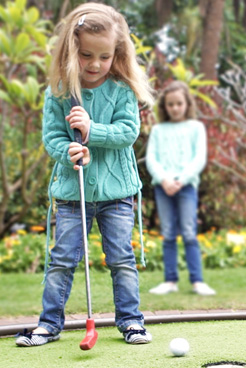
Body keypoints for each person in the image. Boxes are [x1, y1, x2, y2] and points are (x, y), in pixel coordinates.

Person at [16, 3, 154, 347]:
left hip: (116, 193)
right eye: (86, 55)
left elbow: (127, 131)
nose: (95, 64)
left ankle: (131, 321)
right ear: (70, 50)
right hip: (71, 194)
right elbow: (52, 138)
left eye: (104, 57)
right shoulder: (59, 92)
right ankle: (49, 324)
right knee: (61, 260)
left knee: (121, 258)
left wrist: (92, 131)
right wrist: (69, 151)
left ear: (116, 54)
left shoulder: (122, 90)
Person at [145, 81, 216, 296]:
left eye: (179, 103)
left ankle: (197, 281)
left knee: (188, 233)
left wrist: (181, 180)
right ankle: (170, 280)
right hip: (163, 188)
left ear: (187, 104)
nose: (175, 108)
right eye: (170, 104)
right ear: (165, 107)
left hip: (186, 187)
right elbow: (152, 159)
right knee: (167, 233)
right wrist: (164, 180)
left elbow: (199, 159)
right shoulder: (158, 130)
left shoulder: (196, 127)